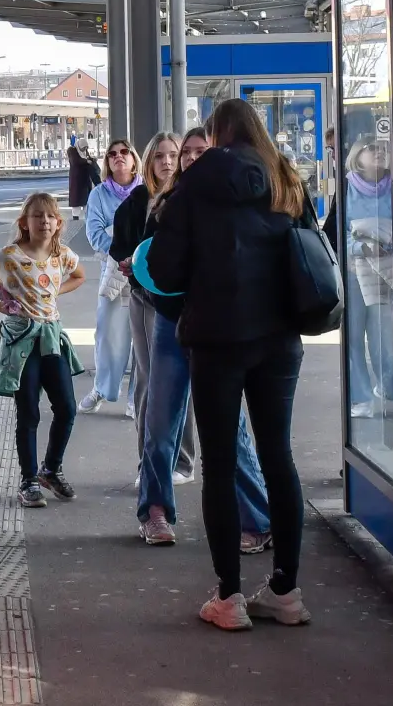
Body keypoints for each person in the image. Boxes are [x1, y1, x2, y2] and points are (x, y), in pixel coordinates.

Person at [146, 97, 310, 632]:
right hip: (280, 336)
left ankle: (230, 597)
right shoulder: (285, 176)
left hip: (217, 337)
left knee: (218, 464)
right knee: (278, 457)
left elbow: (166, 269)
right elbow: (311, 245)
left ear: (216, 134)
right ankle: (285, 590)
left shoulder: (195, 182)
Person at [132, 128, 272, 551]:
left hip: (219, 327)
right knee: (160, 420)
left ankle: (257, 518)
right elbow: (150, 261)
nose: (190, 158)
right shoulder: (166, 202)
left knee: (232, 428)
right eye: (184, 153)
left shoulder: (233, 199)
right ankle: (155, 511)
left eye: (198, 151)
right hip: (172, 322)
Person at [0, 192, 86, 507]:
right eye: (38, 216)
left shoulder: (61, 254)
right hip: (21, 341)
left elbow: (79, 275)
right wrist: (0, 305)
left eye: (50, 216)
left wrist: (54, 293)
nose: (45, 222)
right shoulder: (8, 255)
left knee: (66, 407)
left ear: (58, 222)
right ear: (24, 222)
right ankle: (27, 480)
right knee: (29, 412)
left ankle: (50, 469)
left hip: (51, 337)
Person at [109, 132, 196, 484]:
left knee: (184, 378)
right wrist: (128, 260)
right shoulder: (136, 202)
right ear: (148, 161)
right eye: (159, 156)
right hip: (144, 297)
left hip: (185, 300)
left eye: (173, 155)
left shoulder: (189, 197)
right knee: (148, 378)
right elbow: (119, 245)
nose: (166, 162)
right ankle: (148, 463)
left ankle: (183, 461)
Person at [78, 138, 141, 416]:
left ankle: (136, 397)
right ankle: (102, 388)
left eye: (124, 152)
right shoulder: (99, 195)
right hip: (114, 270)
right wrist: (122, 249)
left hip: (145, 271)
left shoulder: (146, 190)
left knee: (143, 336)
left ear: (134, 158)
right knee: (107, 334)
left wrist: (125, 241)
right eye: (112, 153)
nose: (119, 157)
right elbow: (95, 233)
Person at [344, 139, 393, 419]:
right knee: (354, 335)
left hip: (385, 271)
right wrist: (360, 248)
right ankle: (361, 398)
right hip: (354, 271)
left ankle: (389, 389)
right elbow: (334, 232)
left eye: (384, 148)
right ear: (357, 155)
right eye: (371, 147)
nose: (380, 152)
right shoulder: (346, 188)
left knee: (383, 334)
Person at [67, 144, 97, 223]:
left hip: (85, 180)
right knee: (76, 200)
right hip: (76, 181)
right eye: (83, 148)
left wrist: (92, 160)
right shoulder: (72, 151)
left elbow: (88, 160)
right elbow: (75, 161)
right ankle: (75, 220)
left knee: (86, 201)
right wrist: (86, 161)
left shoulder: (84, 153)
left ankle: (88, 219)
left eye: (86, 148)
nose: (84, 149)